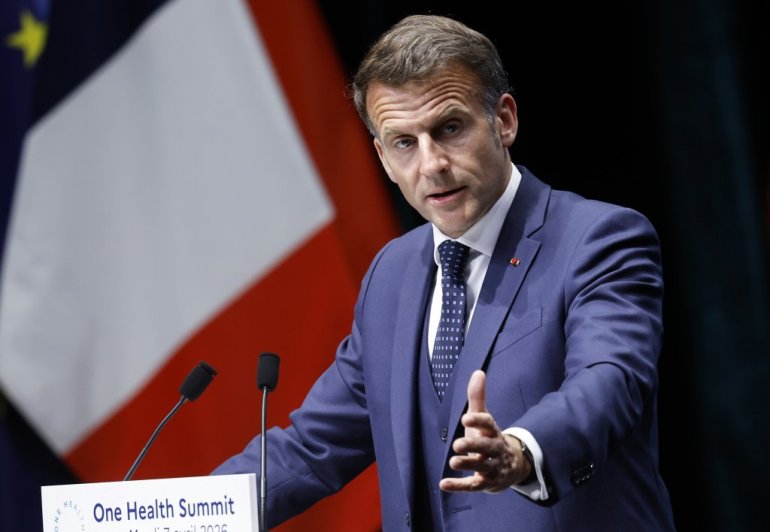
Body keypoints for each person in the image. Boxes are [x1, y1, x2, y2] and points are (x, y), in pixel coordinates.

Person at [213, 14, 676, 531]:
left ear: (504, 120)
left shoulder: (598, 238)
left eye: (449, 129)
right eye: (404, 143)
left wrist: (520, 450)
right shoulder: (391, 275)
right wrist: (179, 512)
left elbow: (609, 381)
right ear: (382, 158)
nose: (431, 164)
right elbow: (311, 448)